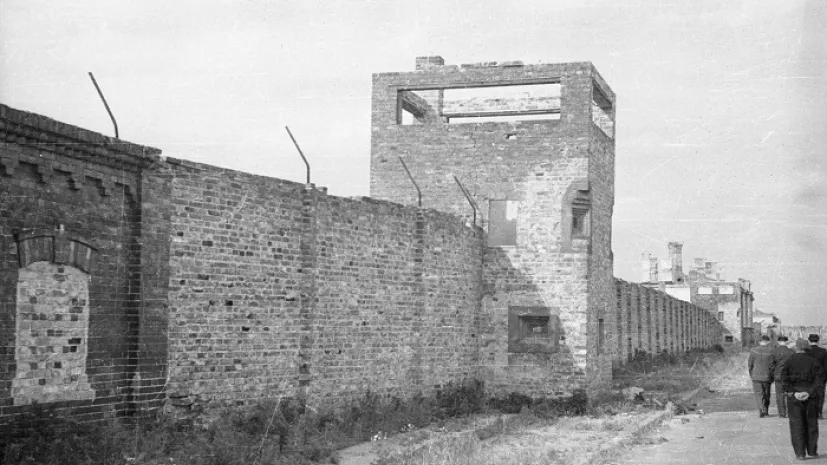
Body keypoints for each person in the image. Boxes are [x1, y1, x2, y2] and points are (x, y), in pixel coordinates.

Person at [782, 338, 827, 460]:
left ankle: (800, 453)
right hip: (811, 397)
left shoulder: (789, 362)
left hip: (794, 398)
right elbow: (820, 380)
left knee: (796, 424)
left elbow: (784, 381)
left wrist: (793, 392)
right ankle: (812, 451)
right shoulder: (814, 362)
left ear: (796, 347)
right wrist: (809, 392)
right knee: (812, 423)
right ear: (807, 348)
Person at [749, 334, 777, 417]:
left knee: (759, 394)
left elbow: (750, 364)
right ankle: (766, 411)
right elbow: (772, 366)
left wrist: (751, 374)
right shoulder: (771, 351)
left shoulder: (753, 350)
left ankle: (761, 409)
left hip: (756, 376)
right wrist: (772, 377)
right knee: (766, 394)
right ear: (768, 341)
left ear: (759, 342)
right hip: (767, 376)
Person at [774, 335, 796, 418]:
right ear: (787, 341)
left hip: (778, 376)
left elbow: (771, 364)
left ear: (778, 342)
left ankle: (782, 413)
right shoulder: (791, 352)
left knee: (779, 395)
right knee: (790, 394)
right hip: (789, 376)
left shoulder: (774, 351)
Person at [806, 334, 827, 419]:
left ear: (809, 340)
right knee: (820, 395)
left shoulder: (806, 351)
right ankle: (819, 412)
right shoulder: (823, 351)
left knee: (809, 394)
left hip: (808, 376)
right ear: (818, 341)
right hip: (821, 376)